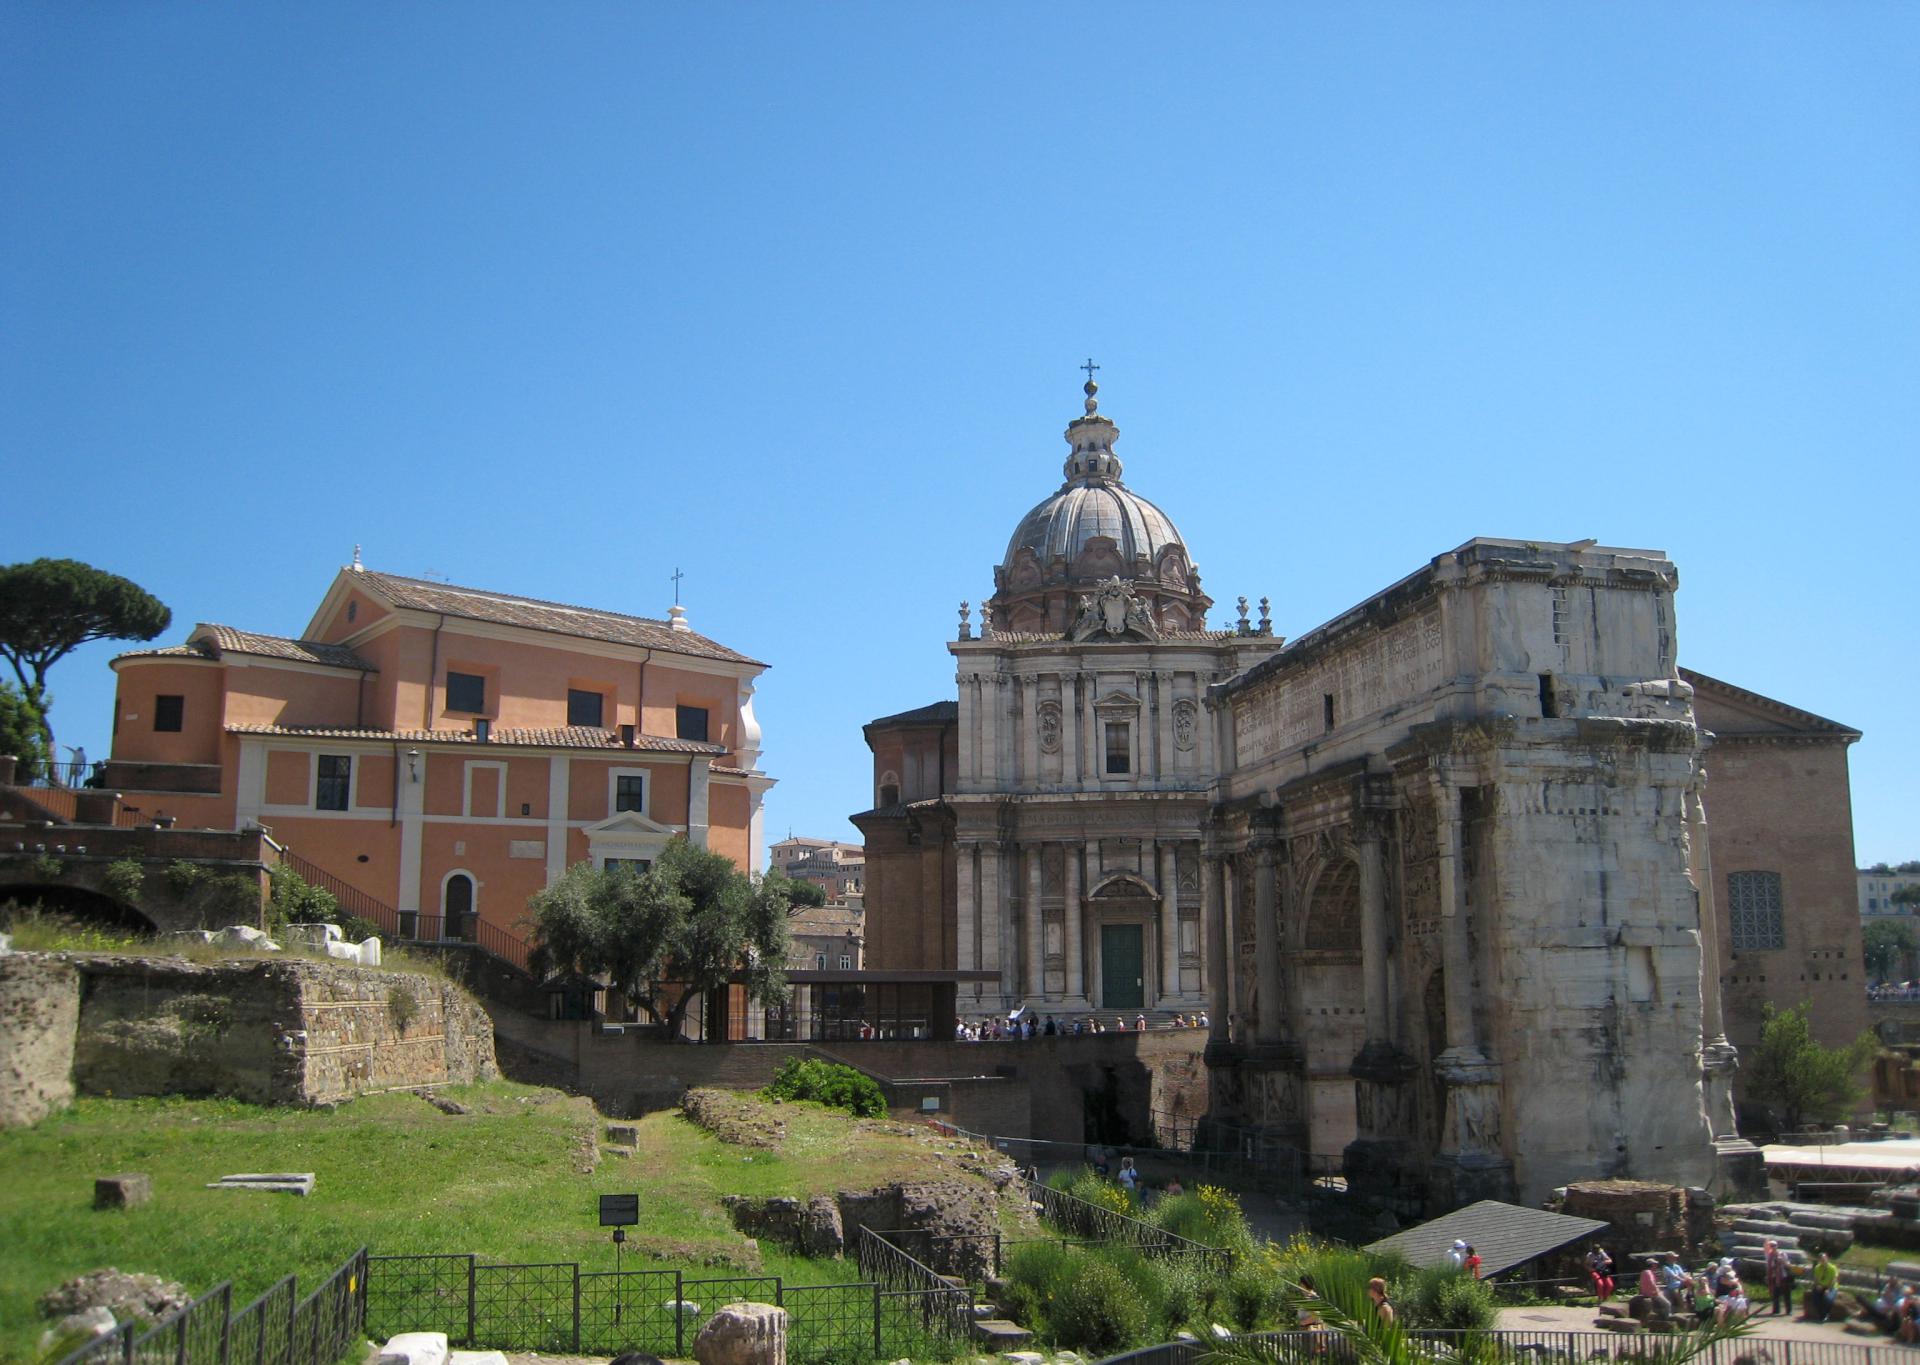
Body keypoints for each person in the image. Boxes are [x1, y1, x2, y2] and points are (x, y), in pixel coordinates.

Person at [1765, 1238, 1795, 1316]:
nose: (1773, 1247)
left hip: (1783, 1276)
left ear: (1777, 1246)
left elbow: (1788, 1265)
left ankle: (1789, 1310)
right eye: (1771, 1246)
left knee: (1786, 1294)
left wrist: (1782, 1261)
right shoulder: (1769, 1256)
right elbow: (1769, 1267)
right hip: (1775, 1276)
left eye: (1774, 1245)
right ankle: (1776, 1310)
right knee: (1775, 1294)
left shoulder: (1782, 1254)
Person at [1809, 1252, 1838, 1322]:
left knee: (1828, 1299)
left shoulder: (1832, 1268)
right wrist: (1817, 1285)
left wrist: (1828, 1289)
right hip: (1821, 1286)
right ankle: (1821, 1315)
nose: (1822, 1261)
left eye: (1823, 1259)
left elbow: (1834, 1280)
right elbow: (1816, 1279)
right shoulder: (1817, 1268)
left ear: (1827, 1259)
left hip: (1831, 1287)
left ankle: (1826, 1314)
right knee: (1815, 1298)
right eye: (1821, 1259)